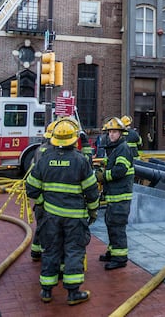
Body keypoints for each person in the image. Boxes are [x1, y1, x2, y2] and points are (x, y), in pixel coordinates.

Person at [26, 119, 99, 305]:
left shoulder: (45, 160)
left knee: (51, 251)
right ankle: (73, 293)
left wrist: (43, 203)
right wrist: (93, 212)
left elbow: (31, 189)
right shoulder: (81, 161)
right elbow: (91, 192)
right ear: (74, 140)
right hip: (75, 218)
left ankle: (46, 291)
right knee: (74, 251)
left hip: (51, 217)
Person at [96, 117, 134, 270]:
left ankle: (120, 258)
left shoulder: (122, 148)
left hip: (121, 196)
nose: (112, 135)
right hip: (114, 196)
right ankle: (112, 252)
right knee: (111, 224)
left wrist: (103, 176)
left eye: (115, 132)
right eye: (110, 132)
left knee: (117, 227)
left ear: (121, 133)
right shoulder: (113, 148)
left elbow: (120, 170)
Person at [30, 119, 58, 262]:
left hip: (39, 197)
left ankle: (35, 250)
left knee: (40, 224)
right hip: (47, 198)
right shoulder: (51, 152)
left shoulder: (39, 149)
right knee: (47, 227)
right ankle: (43, 252)